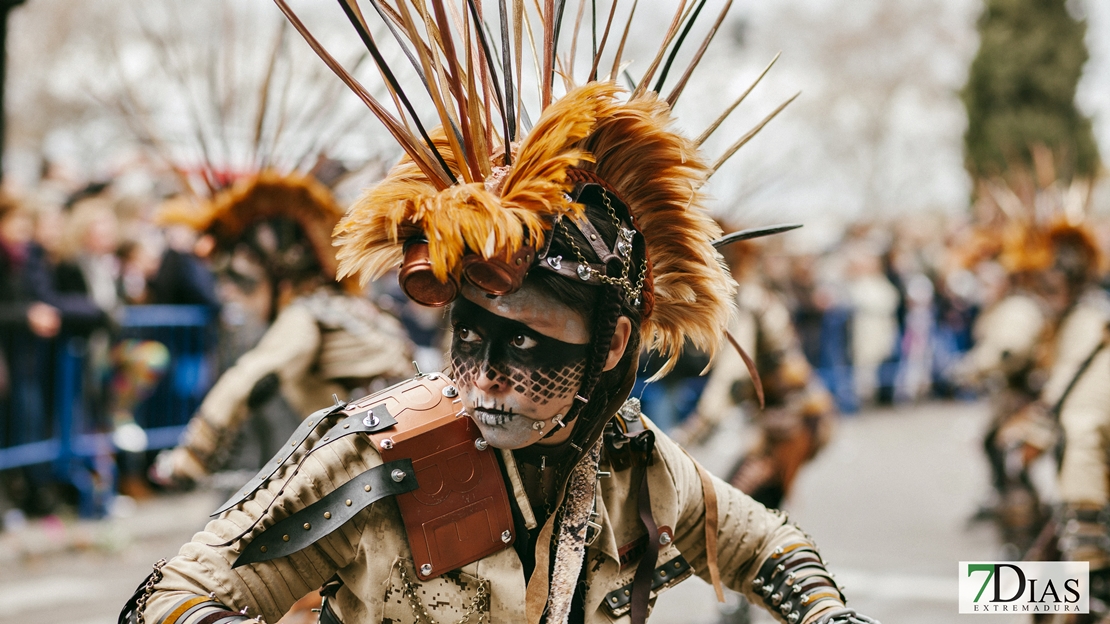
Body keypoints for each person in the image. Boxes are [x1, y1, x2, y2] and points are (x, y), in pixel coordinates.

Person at [120, 3, 880, 624]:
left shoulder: (631, 459)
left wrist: (827, 615)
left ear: (611, 345)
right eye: (470, 334)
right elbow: (171, 593)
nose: (483, 377)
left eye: (526, 342)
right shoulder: (379, 454)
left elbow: (764, 544)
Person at [152, 172, 415, 489]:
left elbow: (252, 377)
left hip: (384, 465)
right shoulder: (347, 306)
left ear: (281, 279)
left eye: (242, 281)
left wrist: (192, 455)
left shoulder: (306, 313)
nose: (230, 294)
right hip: (400, 452)